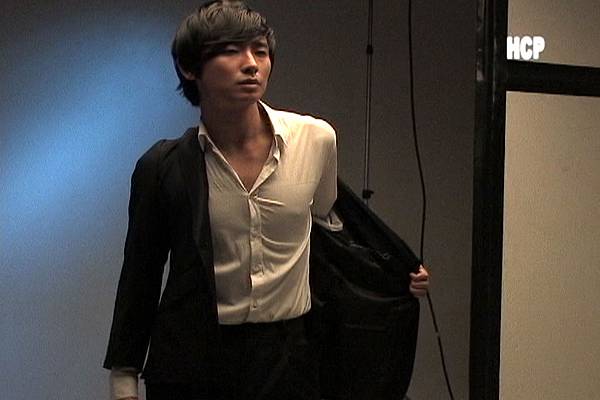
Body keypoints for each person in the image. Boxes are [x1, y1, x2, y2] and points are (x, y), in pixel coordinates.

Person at [104, 1, 430, 399]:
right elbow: (140, 276)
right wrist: (124, 380)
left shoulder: (315, 140)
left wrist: (391, 273)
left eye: (260, 51)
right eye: (230, 51)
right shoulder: (163, 167)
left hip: (287, 358)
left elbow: (329, 232)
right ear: (191, 68)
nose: (251, 64)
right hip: (193, 360)